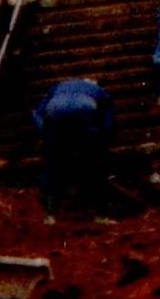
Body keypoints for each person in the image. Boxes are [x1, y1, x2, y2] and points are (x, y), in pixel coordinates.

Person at [32, 75, 117, 216]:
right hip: (86, 107)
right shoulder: (99, 90)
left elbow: (37, 113)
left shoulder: (59, 86)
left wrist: (45, 136)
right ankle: (97, 207)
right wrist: (100, 143)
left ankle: (51, 209)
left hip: (56, 106)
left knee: (52, 161)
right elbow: (108, 123)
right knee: (93, 161)